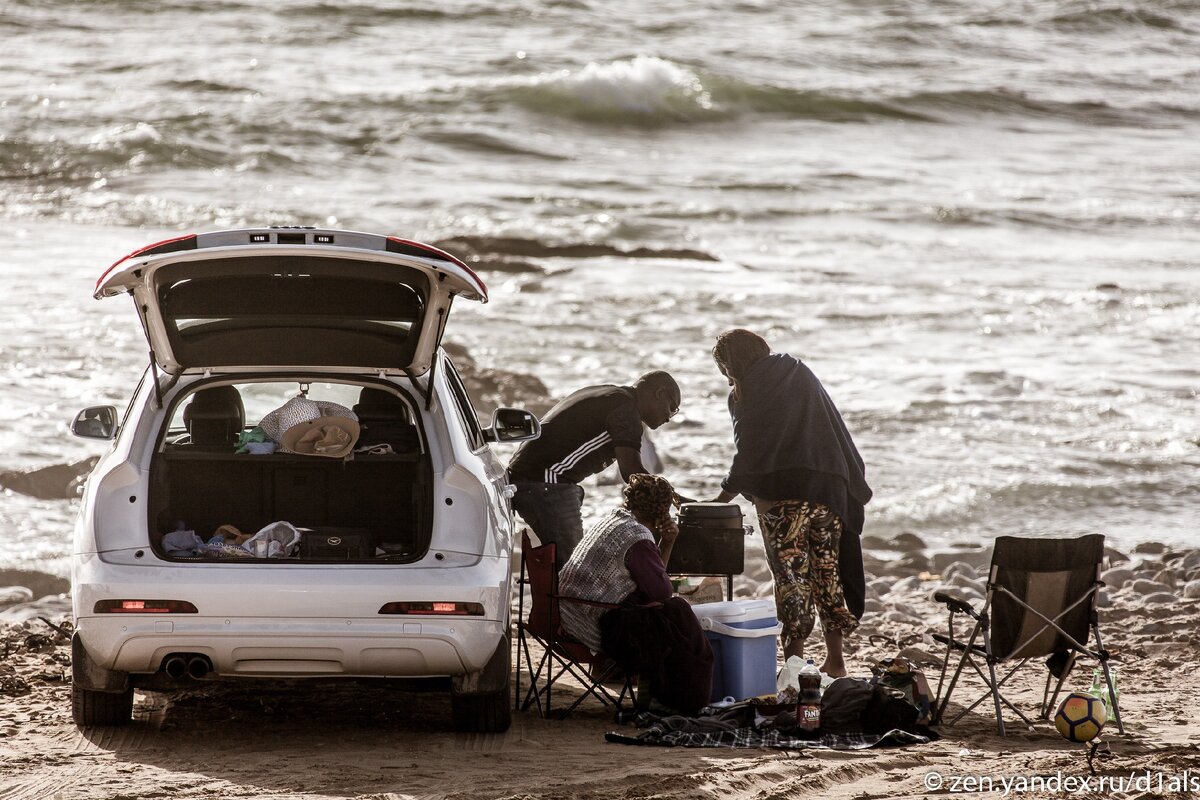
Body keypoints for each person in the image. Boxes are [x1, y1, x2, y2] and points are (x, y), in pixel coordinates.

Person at [710, 329, 871, 677]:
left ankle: (794, 667)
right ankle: (836, 661)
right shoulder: (798, 371)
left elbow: (750, 452)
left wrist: (721, 499)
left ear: (729, 365)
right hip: (829, 493)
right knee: (828, 574)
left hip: (782, 501)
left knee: (791, 580)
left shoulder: (746, 391)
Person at [558, 473, 714, 715]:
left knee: (670, 615)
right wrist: (668, 542)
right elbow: (662, 593)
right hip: (592, 623)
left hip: (567, 610)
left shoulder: (614, 519)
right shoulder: (637, 536)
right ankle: (685, 701)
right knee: (679, 613)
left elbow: (654, 587)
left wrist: (666, 542)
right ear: (662, 512)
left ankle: (668, 696)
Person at [507, 371, 681, 568]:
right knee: (574, 571)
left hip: (527, 477)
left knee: (565, 567)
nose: (668, 418)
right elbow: (632, 473)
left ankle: (552, 598)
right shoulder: (626, 411)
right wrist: (674, 498)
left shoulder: (609, 394)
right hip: (546, 482)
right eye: (672, 408)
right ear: (659, 393)